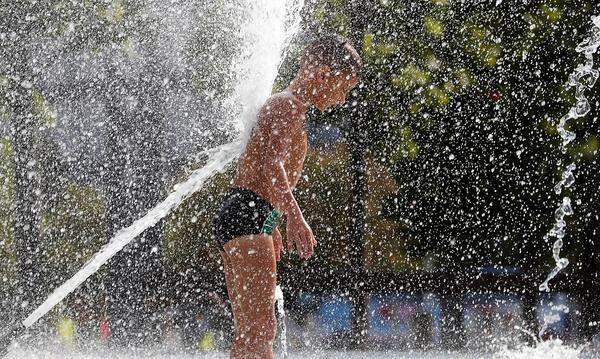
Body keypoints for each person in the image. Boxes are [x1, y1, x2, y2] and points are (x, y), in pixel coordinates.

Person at [213, 35, 362, 359]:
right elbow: (271, 165)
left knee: (251, 333)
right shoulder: (287, 105)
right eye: (343, 89)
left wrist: (273, 223)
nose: (340, 100)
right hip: (247, 214)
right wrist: (295, 217)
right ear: (324, 75)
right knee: (261, 331)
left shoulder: (291, 108)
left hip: (249, 214)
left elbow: (262, 173)